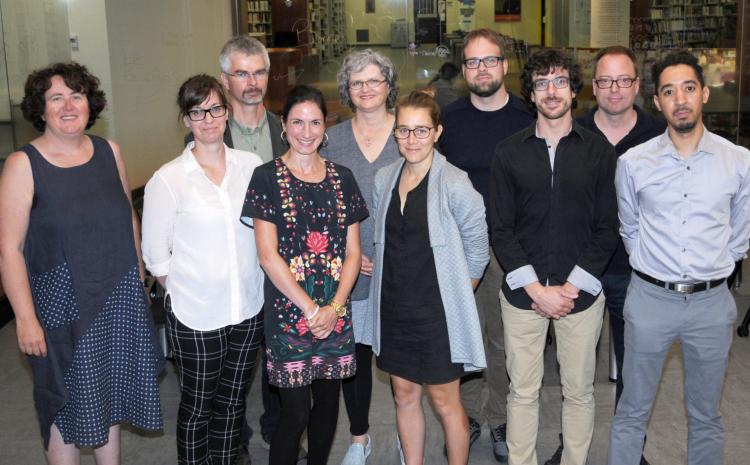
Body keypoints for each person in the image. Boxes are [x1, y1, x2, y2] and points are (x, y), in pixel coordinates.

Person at [0, 62, 163, 464]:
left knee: (109, 391)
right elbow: (9, 249)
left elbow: (127, 217)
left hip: (116, 296)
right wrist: (25, 319)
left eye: (77, 96)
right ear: (40, 108)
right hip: (60, 310)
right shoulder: (23, 164)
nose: (69, 106)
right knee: (63, 403)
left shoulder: (110, 152)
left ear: (90, 103)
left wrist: (139, 280)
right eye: (56, 98)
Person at [609, 51, 750, 465]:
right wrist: (654, 267)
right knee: (632, 410)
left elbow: (740, 232)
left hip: (711, 304)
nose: (680, 99)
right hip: (650, 301)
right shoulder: (633, 163)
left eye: (688, 88)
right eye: (669, 92)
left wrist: (714, 267)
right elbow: (629, 227)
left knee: (706, 414)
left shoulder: (739, 162)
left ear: (704, 93)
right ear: (657, 102)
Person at [491, 49, 619, 465]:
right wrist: (537, 290)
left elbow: (607, 228)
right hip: (522, 297)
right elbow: (501, 230)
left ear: (573, 90)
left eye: (560, 82)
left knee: (579, 393)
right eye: (542, 83)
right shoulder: (508, 152)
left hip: (580, 297)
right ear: (530, 93)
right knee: (522, 392)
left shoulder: (598, 152)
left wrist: (568, 288)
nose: (551, 91)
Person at [542, 45, 666, 465]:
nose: (615, 89)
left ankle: (629, 452)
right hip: (579, 270)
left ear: (637, 85)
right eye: (606, 81)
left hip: (638, 272)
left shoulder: (658, 135)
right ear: (593, 87)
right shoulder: (570, 131)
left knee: (635, 368)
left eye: (624, 80)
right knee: (575, 371)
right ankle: (571, 445)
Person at [141, 74, 264, 465]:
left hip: (247, 308)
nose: (208, 119)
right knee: (197, 406)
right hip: (196, 315)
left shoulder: (251, 166)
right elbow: (154, 254)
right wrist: (188, 289)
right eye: (197, 112)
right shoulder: (168, 179)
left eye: (214, 109)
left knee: (232, 403)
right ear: (186, 119)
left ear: (227, 112)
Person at [242, 85, 368, 465]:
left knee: (327, 409)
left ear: (325, 126)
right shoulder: (265, 178)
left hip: (335, 313)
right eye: (297, 122)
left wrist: (334, 308)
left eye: (315, 122)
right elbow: (268, 256)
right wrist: (312, 310)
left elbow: (353, 252)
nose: (306, 131)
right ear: (283, 125)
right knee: (295, 414)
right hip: (289, 315)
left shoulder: (342, 178)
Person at [366, 89, 489, 465]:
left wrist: (456, 295)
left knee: (444, 401)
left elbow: (478, 249)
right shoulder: (384, 178)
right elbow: (382, 240)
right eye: (403, 130)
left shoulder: (454, 182)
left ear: (437, 132)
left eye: (421, 131)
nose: (411, 139)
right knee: (404, 395)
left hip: (438, 316)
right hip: (394, 309)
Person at [439, 28, 534, 462]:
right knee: (461, 338)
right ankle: (462, 418)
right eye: (473, 62)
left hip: (511, 247)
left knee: (501, 341)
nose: (482, 69)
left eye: (490, 60)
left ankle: (497, 417)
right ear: (464, 70)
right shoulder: (448, 120)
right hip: (458, 247)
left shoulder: (527, 117)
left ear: (504, 65)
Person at [206, 35, 286, 463]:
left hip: (282, 266)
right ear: (225, 80)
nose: (252, 82)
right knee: (232, 366)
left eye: (259, 72)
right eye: (241, 73)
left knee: (280, 356)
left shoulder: (286, 129)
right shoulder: (208, 132)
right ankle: (233, 439)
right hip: (232, 266)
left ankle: (279, 432)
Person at [321, 48, 401, 465]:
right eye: (357, 83)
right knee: (355, 359)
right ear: (347, 90)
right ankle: (359, 438)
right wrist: (346, 254)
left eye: (374, 80)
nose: (366, 89)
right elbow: (318, 204)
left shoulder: (408, 131)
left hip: (401, 270)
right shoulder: (331, 140)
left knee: (402, 361)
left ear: (388, 85)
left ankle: (408, 436)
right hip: (350, 272)